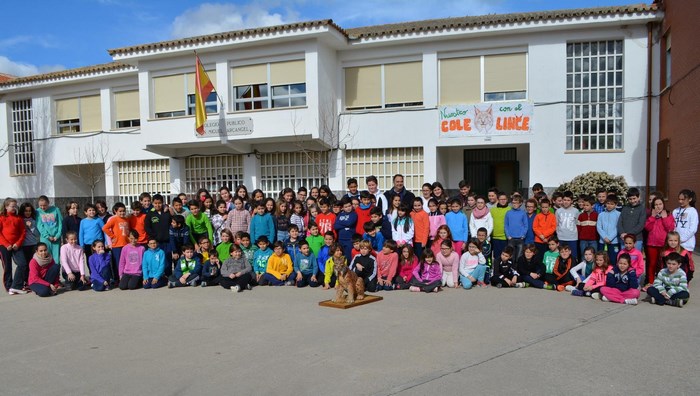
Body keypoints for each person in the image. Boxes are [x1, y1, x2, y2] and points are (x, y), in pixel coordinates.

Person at [644, 197, 675, 285]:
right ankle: (651, 282)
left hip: (663, 244)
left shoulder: (668, 215)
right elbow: (647, 228)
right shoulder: (651, 215)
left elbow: (670, 228)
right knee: (652, 264)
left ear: (663, 205)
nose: (658, 206)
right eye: (656, 205)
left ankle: (662, 282)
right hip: (652, 244)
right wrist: (653, 217)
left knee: (662, 264)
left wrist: (664, 218)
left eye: (660, 204)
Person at [1, 198, 28, 294]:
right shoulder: (1, 217)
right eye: (12, 206)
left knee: (23, 264)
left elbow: (23, 232)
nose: (14, 208)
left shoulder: (18, 218)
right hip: (4, 246)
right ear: (6, 206)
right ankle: (9, 287)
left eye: (15, 206)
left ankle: (16, 286)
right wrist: (6, 244)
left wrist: (18, 243)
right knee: (7, 267)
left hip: (17, 246)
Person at [102, 202, 130, 284]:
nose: (122, 213)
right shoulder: (113, 219)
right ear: (115, 211)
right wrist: (113, 236)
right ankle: (118, 278)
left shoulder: (126, 219)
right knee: (118, 263)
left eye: (123, 211)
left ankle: (125, 277)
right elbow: (105, 228)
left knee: (126, 262)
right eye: (120, 211)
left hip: (126, 244)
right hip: (117, 245)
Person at [36, 195, 63, 266]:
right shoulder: (38, 212)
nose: (42, 207)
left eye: (44, 205)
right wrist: (47, 236)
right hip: (45, 239)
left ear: (48, 203)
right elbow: (39, 225)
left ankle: (56, 276)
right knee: (45, 257)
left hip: (56, 239)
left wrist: (57, 235)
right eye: (40, 205)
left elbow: (60, 223)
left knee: (56, 259)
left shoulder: (56, 209)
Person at [617, 188, 646, 253]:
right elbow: (620, 222)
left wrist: (628, 234)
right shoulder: (625, 208)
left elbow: (641, 225)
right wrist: (622, 233)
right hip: (624, 239)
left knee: (635, 259)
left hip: (636, 239)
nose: (632, 201)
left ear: (638, 197)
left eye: (634, 198)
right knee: (624, 259)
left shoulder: (642, 209)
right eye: (630, 199)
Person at [18, 202, 40, 288]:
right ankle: (25, 281)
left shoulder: (33, 220)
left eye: (29, 211)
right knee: (25, 264)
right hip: (23, 245)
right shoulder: (20, 220)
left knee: (32, 264)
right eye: (26, 211)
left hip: (33, 244)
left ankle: (32, 280)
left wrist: (31, 227)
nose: (28, 213)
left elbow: (37, 234)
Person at [597, 194, 621, 265]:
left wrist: (610, 238)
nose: (609, 206)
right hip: (602, 241)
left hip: (614, 242)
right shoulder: (601, 215)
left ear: (615, 204)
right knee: (602, 260)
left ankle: (612, 275)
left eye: (612, 204)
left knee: (613, 259)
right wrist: (604, 237)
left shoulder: (619, 214)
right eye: (607, 203)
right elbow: (599, 227)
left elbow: (618, 227)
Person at [555, 191, 579, 262]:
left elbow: (576, 223)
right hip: (561, 237)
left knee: (573, 257)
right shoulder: (558, 211)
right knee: (561, 256)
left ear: (571, 201)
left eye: (568, 200)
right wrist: (558, 233)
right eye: (564, 200)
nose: (566, 202)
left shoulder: (576, 211)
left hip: (572, 238)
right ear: (562, 200)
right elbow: (556, 224)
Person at [533, 198, 556, 264]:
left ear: (549, 207)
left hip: (548, 240)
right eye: (543, 207)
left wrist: (545, 236)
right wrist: (541, 236)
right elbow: (535, 227)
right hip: (538, 240)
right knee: (538, 257)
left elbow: (553, 227)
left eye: (546, 207)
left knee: (547, 258)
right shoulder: (538, 216)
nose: (544, 209)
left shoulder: (552, 216)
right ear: (540, 207)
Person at [504, 194, 528, 260]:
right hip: (511, 238)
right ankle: (511, 269)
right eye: (513, 203)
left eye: (516, 203)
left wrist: (523, 235)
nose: (515, 205)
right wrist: (508, 235)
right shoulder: (508, 213)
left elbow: (526, 225)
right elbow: (506, 225)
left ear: (520, 203)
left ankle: (518, 269)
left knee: (519, 257)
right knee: (511, 256)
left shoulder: (523, 213)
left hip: (520, 238)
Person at [490, 192, 511, 262]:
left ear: (507, 200)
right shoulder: (493, 210)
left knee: (505, 256)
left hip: (505, 237)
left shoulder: (510, 209)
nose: (503, 201)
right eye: (501, 199)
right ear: (498, 200)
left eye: (504, 199)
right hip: (495, 237)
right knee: (497, 256)